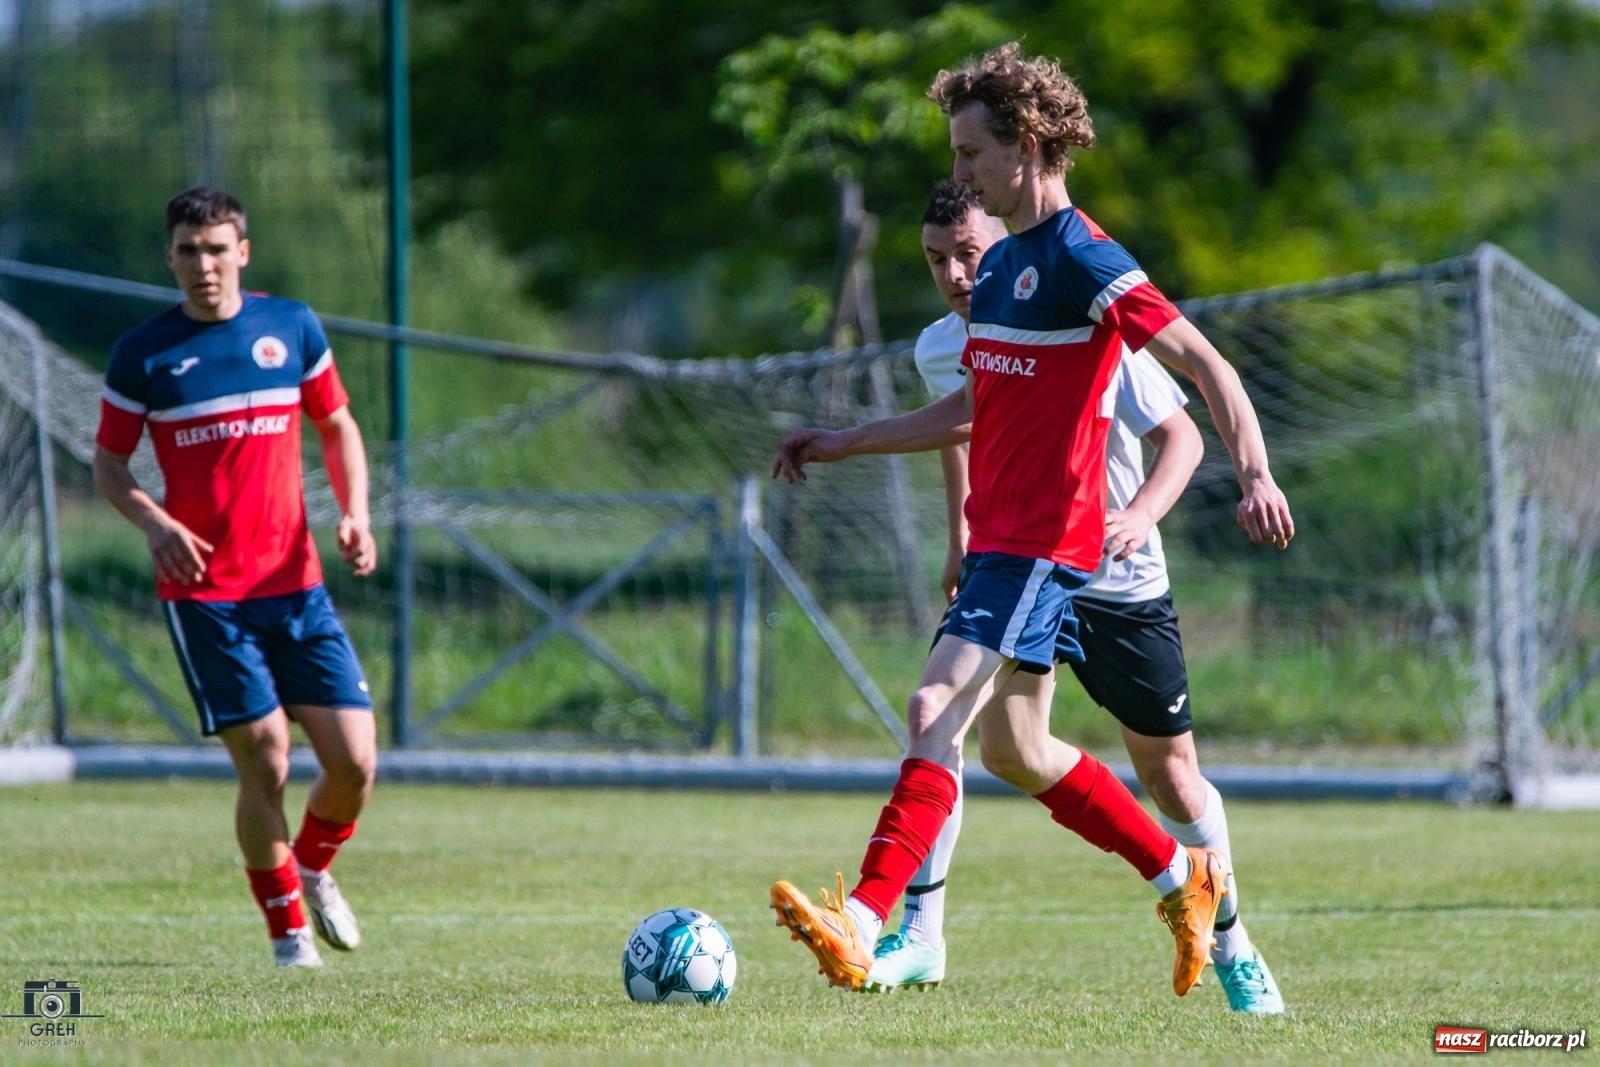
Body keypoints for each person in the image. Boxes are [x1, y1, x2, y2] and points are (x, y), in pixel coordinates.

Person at [767, 42, 1294, 999]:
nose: (959, 174)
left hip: (1052, 547)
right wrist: (846, 441)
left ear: (1029, 145)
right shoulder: (1003, 265)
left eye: (971, 155)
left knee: (938, 711)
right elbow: (974, 407)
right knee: (1007, 746)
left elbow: (1206, 370)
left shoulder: (1087, 260)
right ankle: (1183, 880)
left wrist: (1254, 470)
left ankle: (867, 917)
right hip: (1005, 549)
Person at [863, 180, 1283, 1014]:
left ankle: (1233, 940)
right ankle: (918, 931)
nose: (952, 272)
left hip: (1118, 577)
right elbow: (970, 431)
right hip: (1019, 559)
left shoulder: (1080, 311)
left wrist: (1139, 512)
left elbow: (1182, 433)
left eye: (967, 253)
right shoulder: (943, 342)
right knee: (962, 729)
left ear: (1007, 239)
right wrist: (961, 538)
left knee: (1170, 776)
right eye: (936, 259)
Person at [93, 187, 378, 969]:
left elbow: (337, 423)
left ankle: (312, 865)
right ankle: (289, 934)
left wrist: (354, 512)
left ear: (243, 253)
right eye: (188, 250)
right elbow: (110, 466)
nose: (203, 265)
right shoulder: (144, 353)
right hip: (206, 595)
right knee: (267, 757)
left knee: (354, 760)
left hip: (295, 586)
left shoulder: (291, 326)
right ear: (170, 257)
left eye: (217, 248)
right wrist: (155, 523)